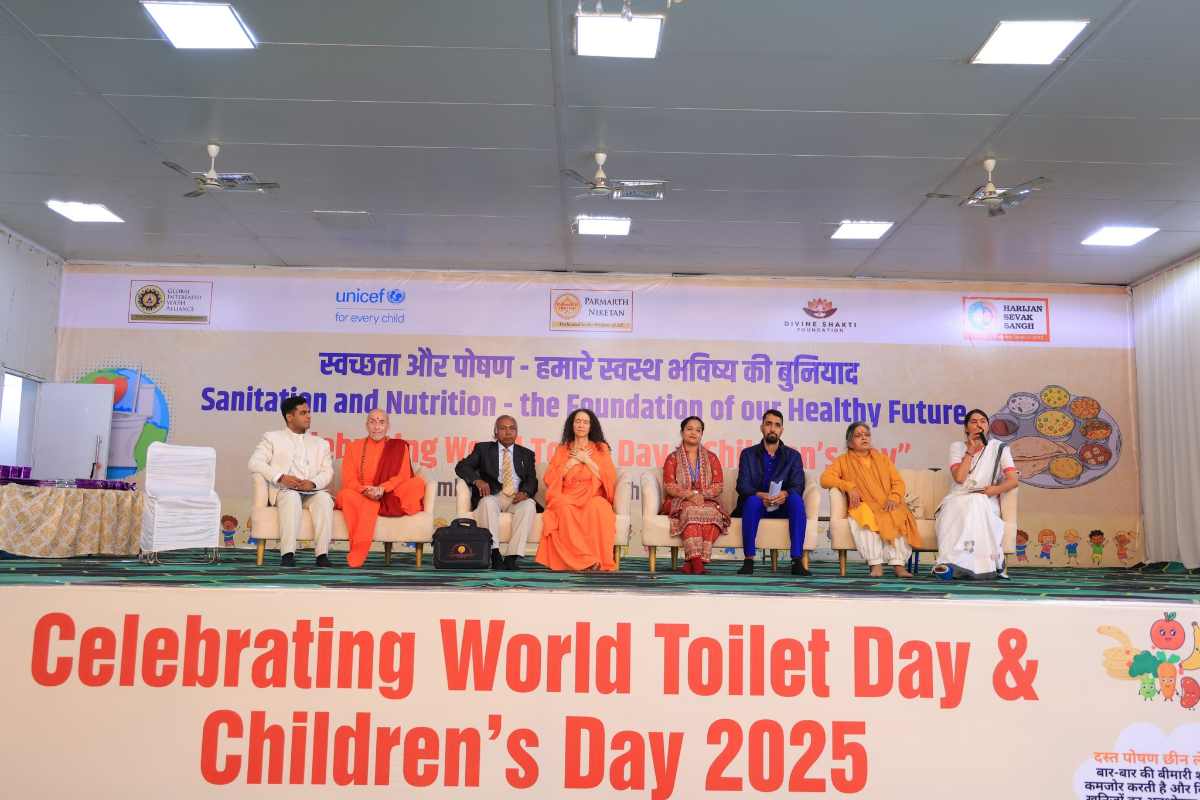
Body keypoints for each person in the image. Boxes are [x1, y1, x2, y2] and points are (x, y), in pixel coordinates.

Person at [820, 422, 919, 578]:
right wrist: (848, 486)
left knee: (897, 515)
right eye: (858, 435)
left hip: (886, 502)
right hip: (863, 504)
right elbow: (825, 479)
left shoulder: (882, 459)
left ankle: (899, 564)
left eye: (866, 435)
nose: (864, 438)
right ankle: (875, 564)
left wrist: (894, 497)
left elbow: (898, 482)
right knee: (864, 517)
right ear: (849, 442)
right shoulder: (842, 461)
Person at [932, 408, 1019, 580]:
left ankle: (973, 565)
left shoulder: (999, 448)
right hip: (958, 497)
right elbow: (959, 478)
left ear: (987, 426)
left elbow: (1013, 480)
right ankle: (949, 563)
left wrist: (994, 490)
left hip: (985, 498)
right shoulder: (957, 447)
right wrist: (970, 451)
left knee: (975, 502)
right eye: (974, 422)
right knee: (955, 507)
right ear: (966, 428)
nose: (979, 425)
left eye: (983, 421)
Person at [248, 396, 334, 567]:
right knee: (291, 497)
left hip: (310, 491)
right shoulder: (272, 438)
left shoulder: (321, 443)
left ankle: (322, 555)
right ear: (289, 417)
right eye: (303, 413)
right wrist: (281, 477)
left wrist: (313, 483)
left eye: (309, 412)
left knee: (324, 499)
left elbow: (327, 471)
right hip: (284, 490)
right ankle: (287, 554)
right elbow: (254, 462)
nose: (308, 416)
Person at [335, 409, 426, 568]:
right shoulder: (353, 447)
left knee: (416, 483)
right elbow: (349, 479)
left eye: (381, 422)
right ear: (366, 425)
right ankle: (358, 548)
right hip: (361, 494)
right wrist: (365, 490)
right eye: (372, 422)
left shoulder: (398, 447)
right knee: (346, 495)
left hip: (388, 494)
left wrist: (382, 489)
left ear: (388, 426)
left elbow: (403, 475)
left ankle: (373, 504)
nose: (377, 427)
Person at [536, 408, 617, 571]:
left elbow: (607, 478)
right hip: (567, 494)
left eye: (585, 422)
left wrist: (586, 460)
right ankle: (583, 561)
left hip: (592, 495)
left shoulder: (600, 448)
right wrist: (570, 463)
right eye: (578, 421)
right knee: (563, 507)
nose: (581, 425)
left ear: (591, 426)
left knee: (599, 507)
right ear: (572, 425)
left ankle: (595, 559)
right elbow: (550, 478)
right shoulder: (562, 449)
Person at [455, 415, 539, 570]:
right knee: (487, 502)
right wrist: (477, 480)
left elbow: (532, 479)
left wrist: (525, 492)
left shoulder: (526, 454)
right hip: (493, 495)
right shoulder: (483, 449)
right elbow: (462, 467)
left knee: (529, 505)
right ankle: (494, 553)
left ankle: (512, 556)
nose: (508, 432)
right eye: (503, 428)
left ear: (516, 432)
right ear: (495, 432)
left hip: (516, 497)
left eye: (512, 428)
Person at [733, 409, 809, 576]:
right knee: (752, 501)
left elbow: (798, 484)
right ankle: (749, 560)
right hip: (758, 504)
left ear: (782, 430)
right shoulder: (748, 454)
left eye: (777, 425)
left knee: (796, 500)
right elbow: (742, 486)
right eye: (768, 424)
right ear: (762, 427)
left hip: (782, 506)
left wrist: (785, 494)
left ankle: (796, 560)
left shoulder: (793, 456)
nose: (772, 428)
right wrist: (761, 495)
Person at [661, 416, 729, 574]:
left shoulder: (711, 458)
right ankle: (697, 563)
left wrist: (702, 495)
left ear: (702, 434)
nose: (693, 433)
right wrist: (690, 495)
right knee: (690, 510)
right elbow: (669, 486)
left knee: (714, 514)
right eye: (689, 429)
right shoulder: (672, 458)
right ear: (682, 432)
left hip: (706, 500)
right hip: (679, 501)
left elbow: (718, 485)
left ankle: (691, 562)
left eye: (698, 430)